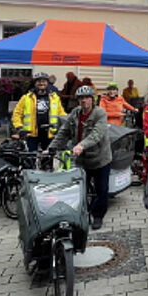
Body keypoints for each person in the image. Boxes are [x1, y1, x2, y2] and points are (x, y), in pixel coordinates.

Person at [49, 85, 112, 230]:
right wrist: (51, 147)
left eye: (87, 98)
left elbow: (96, 134)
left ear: (92, 100)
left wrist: (81, 145)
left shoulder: (100, 114)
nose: (84, 101)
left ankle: (98, 216)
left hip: (100, 158)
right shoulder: (75, 113)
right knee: (80, 189)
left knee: (102, 190)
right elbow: (63, 132)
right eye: (81, 98)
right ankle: (84, 213)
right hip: (82, 160)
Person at [12, 72, 66, 153]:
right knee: (30, 159)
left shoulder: (54, 98)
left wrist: (65, 127)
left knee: (48, 160)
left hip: (49, 133)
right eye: (39, 81)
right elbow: (16, 114)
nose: (41, 83)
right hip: (31, 134)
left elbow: (61, 114)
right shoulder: (26, 98)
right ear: (35, 83)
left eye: (44, 81)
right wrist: (20, 128)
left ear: (47, 83)